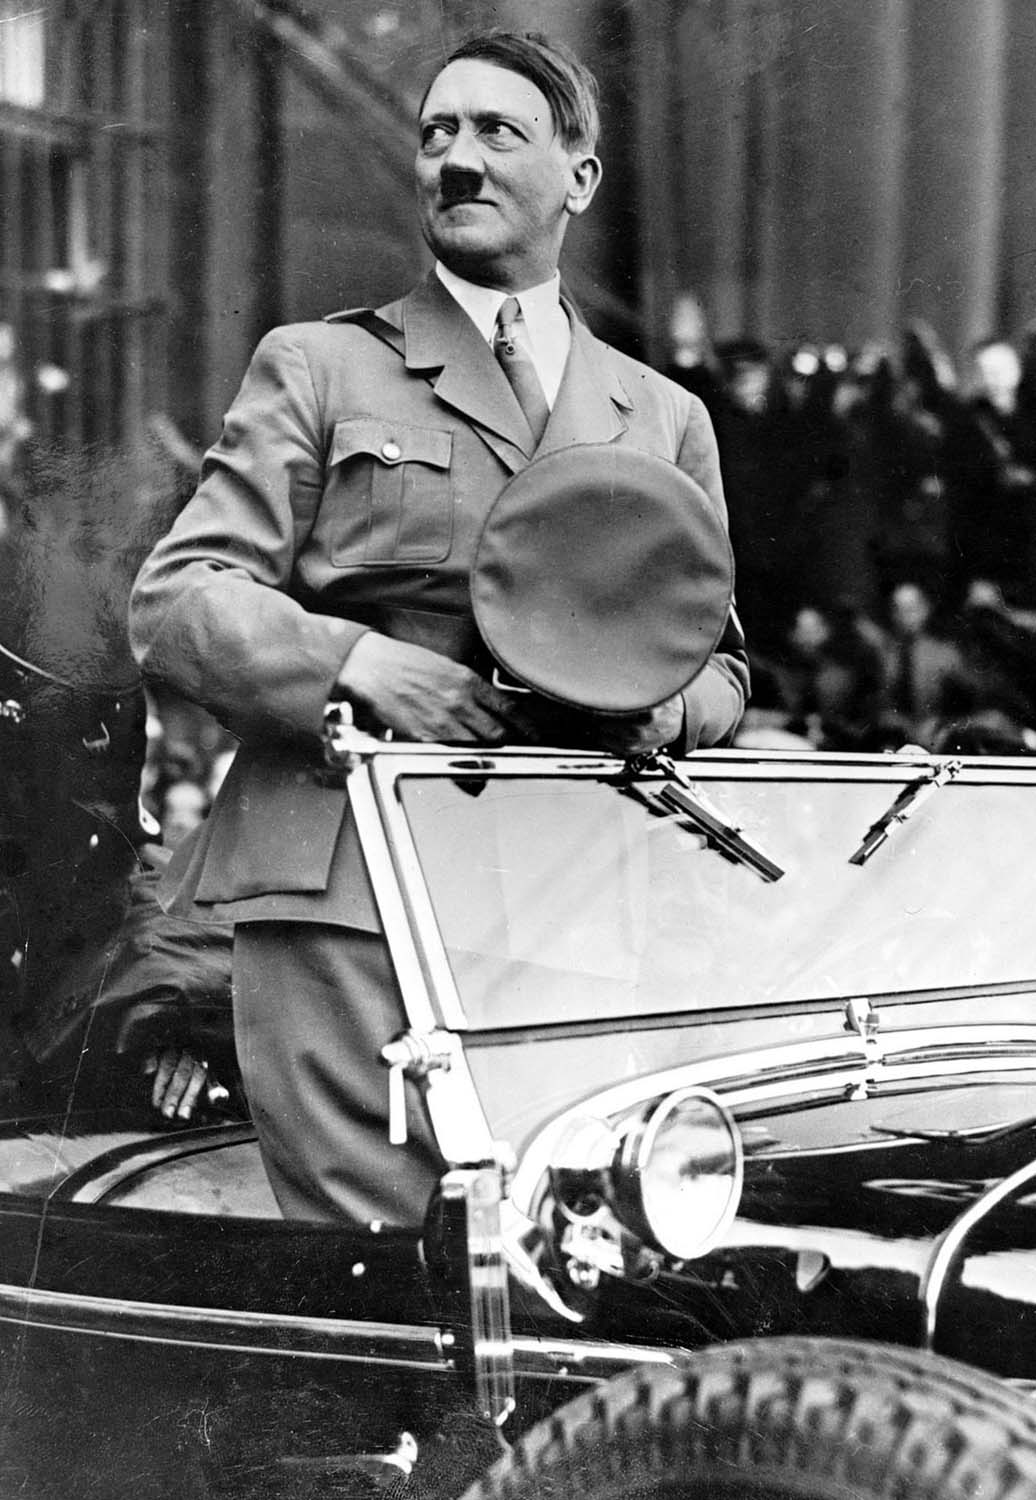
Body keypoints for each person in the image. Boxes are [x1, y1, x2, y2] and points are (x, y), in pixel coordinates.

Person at [128, 29, 749, 1227]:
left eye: (497, 132)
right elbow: (182, 596)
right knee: (381, 1257)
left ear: (579, 177)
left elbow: (720, 670)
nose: (455, 161)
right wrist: (358, 663)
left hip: (567, 899)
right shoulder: (319, 366)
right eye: (435, 135)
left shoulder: (659, 417)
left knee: (555, 1249)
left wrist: (661, 711)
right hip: (349, 887)